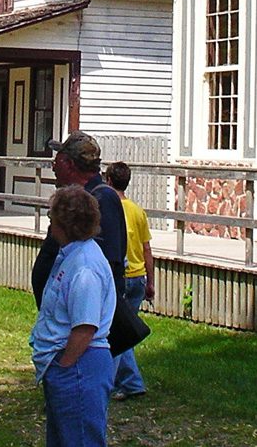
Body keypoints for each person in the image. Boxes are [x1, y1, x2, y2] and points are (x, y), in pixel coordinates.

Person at [30, 186, 116, 447]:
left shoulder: (85, 267)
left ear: (64, 223)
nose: (49, 223)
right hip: (69, 366)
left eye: (52, 218)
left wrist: (64, 367)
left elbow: (85, 328)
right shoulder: (71, 254)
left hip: (80, 366)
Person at [31, 131, 126, 307]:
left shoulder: (102, 199)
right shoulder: (78, 198)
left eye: (57, 161)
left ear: (69, 164)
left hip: (81, 318)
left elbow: (105, 266)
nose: (53, 167)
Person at [105, 161, 154, 400]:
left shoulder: (110, 208)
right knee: (125, 330)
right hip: (139, 276)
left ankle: (124, 382)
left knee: (118, 333)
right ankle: (127, 381)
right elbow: (147, 249)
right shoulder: (137, 211)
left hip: (122, 277)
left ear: (109, 181)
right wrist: (150, 281)